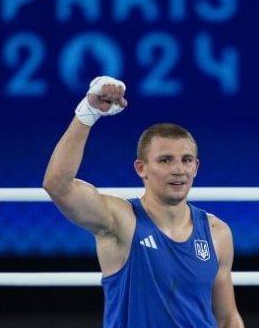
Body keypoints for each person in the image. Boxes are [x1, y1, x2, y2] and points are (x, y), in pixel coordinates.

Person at [43, 76, 244, 328]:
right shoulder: (121, 221)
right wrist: (88, 113)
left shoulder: (217, 233)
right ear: (141, 168)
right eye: (165, 160)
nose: (178, 169)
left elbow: (227, 317)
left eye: (186, 160)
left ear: (196, 167)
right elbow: (58, 185)